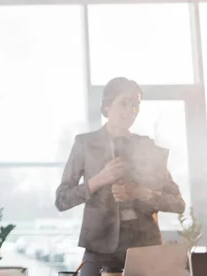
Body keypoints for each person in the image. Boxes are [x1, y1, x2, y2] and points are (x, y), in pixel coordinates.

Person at [55, 77, 185, 275]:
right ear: (107, 106)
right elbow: (62, 200)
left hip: (144, 248)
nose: (131, 110)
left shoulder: (147, 148)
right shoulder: (85, 144)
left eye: (136, 104)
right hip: (98, 248)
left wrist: (141, 192)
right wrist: (99, 180)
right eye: (124, 102)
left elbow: (178, 204)